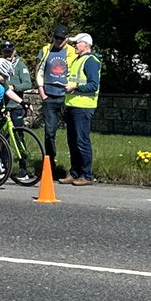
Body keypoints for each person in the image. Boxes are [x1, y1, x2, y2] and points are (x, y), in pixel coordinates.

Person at [61, 33, 102, 186]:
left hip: (84, 107)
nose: (74, 46)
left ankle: (86, 174)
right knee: (72, 141)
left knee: (82, 141)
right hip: (73, 105)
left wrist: (75, 87)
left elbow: (93, 85)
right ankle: (75, 172)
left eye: (77, 43)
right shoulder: (79, 60)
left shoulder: (91, 61)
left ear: (86, 44)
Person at [35, 25, 76, 168]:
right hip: (49, 96)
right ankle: (50, 163)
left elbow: (75, 72)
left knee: (73, 133)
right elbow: (39, 70)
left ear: (66, 39)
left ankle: (74, 167)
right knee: (49, 133)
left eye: (61, 38)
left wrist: (70, 88)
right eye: (56, 37)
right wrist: (41, 91)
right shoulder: (46, 50)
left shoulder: (72, 52)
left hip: (65, 96)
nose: (58, 40)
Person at [0, 40, 31, 127]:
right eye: (5, 52)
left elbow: (27, 84)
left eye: (10, 52)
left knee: (18, 134)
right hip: (2, 107)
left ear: (14, 51)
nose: (8, 55)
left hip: (16, 107)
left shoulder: (20, 66)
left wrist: (13, 87)